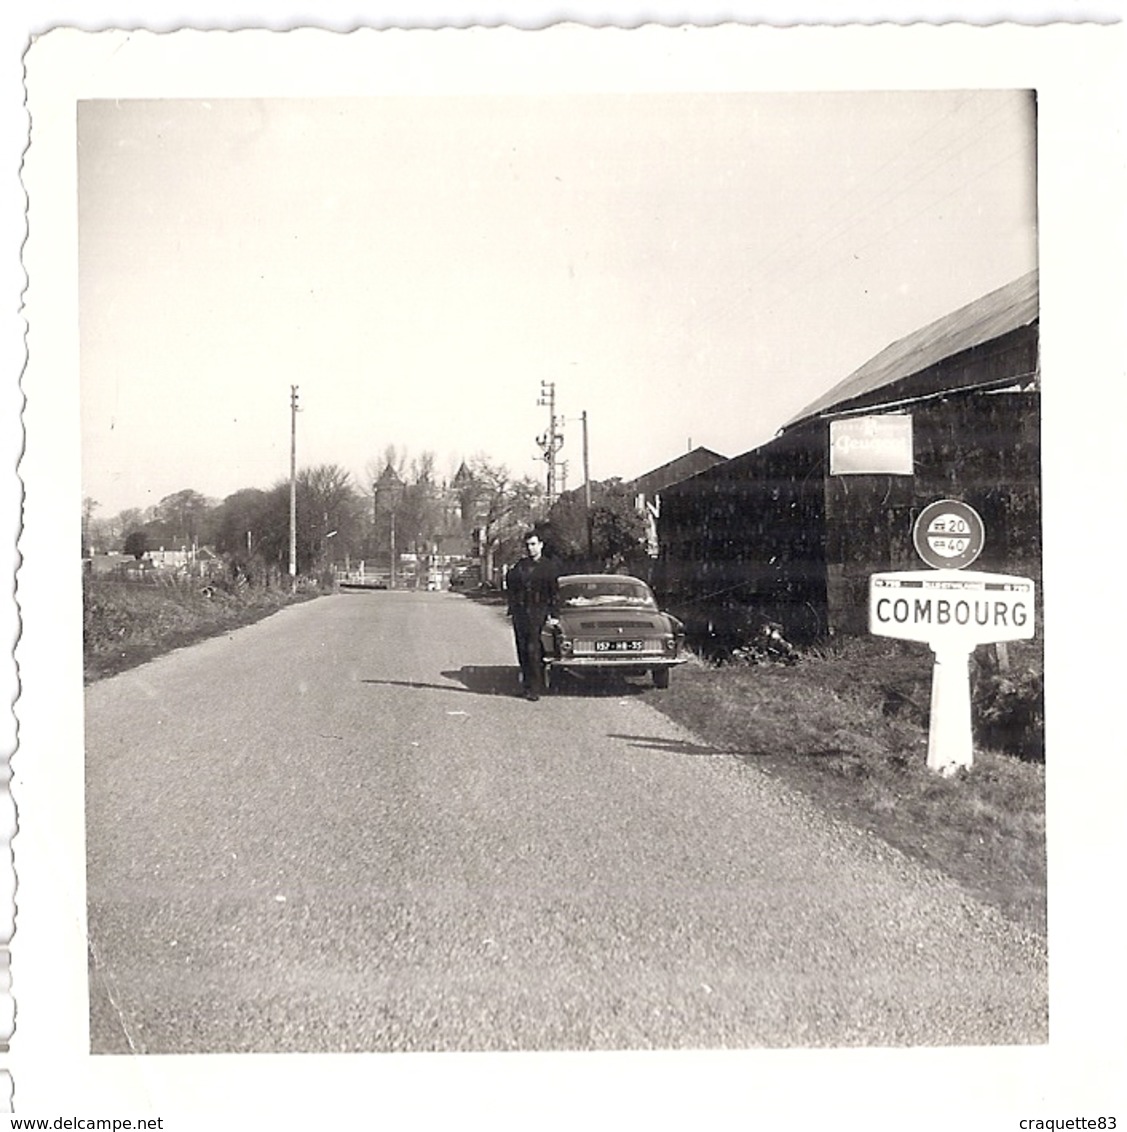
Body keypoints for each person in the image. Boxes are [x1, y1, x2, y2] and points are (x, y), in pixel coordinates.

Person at [505, 531, 560, 701]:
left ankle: (535, 688)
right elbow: (511, 585)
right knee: (522, 650)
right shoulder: (520, 565)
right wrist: (513, 607)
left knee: (533, 649)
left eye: (533, 544)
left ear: (541, 545)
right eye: (528, 545)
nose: (530, 548)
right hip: (521, 613)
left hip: (538, 612)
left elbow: (554, 593)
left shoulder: (549, 567)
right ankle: (527, 686)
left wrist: (554, 614)